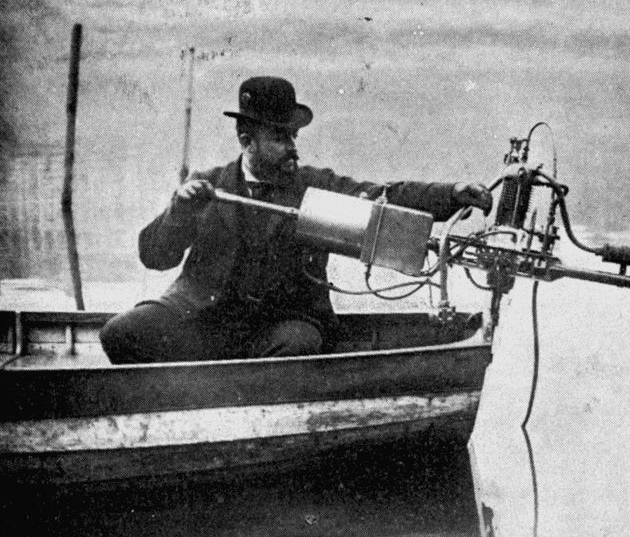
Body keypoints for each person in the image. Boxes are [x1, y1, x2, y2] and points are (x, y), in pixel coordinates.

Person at [100, 76, 492, 364]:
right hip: (204, 318)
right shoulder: (207, 186)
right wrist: (179, 211)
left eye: (293, 137)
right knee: (121, 333)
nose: (292, 148)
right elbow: (154, 256)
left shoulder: (314, 186)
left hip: (281, 324)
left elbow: (384, 195)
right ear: (246, 141)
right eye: (280, 138)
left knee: (296, 347)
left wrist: (451, 193)